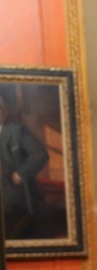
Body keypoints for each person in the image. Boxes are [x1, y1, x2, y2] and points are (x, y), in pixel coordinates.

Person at [0, 95, 49, 238]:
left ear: (2, 112)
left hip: (13, 197)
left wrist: (20, 174)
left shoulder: (16, 131)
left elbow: (40, 155)